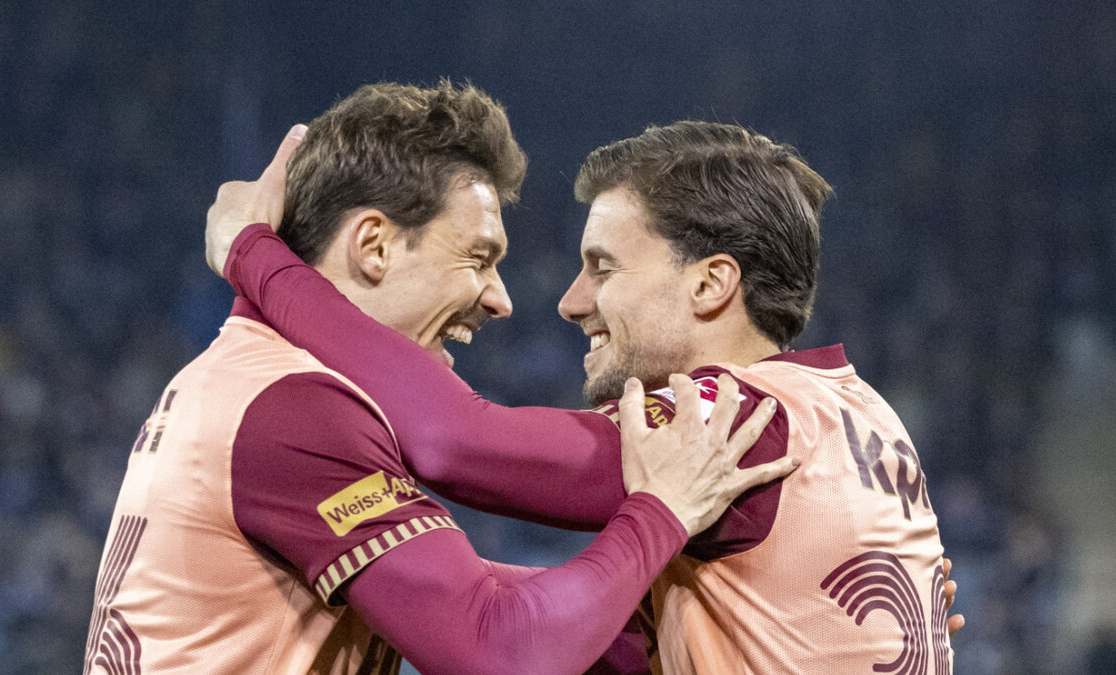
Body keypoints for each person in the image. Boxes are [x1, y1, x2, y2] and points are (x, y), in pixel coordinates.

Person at [83, 82, 797, 675]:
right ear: (374, 245)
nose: (501, 298)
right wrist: (660, 512)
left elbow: (478, 593)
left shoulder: (245, 377)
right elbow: (502, 648)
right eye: (479, 257)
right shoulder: (295, 406)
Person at [208, 117, 963, 671]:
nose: (571, 301)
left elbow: (455, 442)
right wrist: (380, 579)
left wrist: (254, 255)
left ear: (710, 284)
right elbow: (595, 640)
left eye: (603, 267)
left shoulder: (733, 424)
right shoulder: (855, 410)